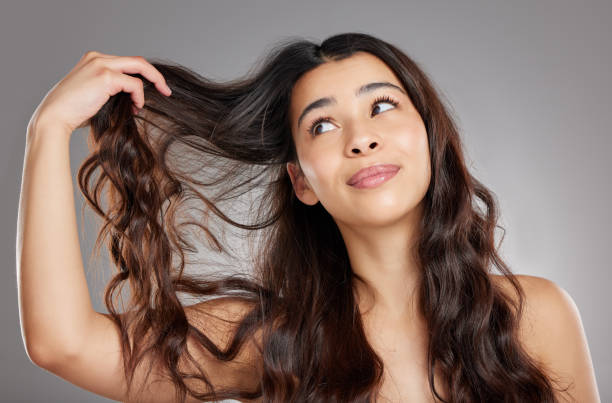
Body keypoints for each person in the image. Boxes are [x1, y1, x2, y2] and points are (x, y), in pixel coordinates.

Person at [17, 32, 600, 402]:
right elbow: (64, 345)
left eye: (382, 106)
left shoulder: (536, 315)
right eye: (323, 125)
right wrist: (47, 130)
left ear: (430, 139)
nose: (361, 139)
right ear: (301, 182)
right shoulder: (275, 338)